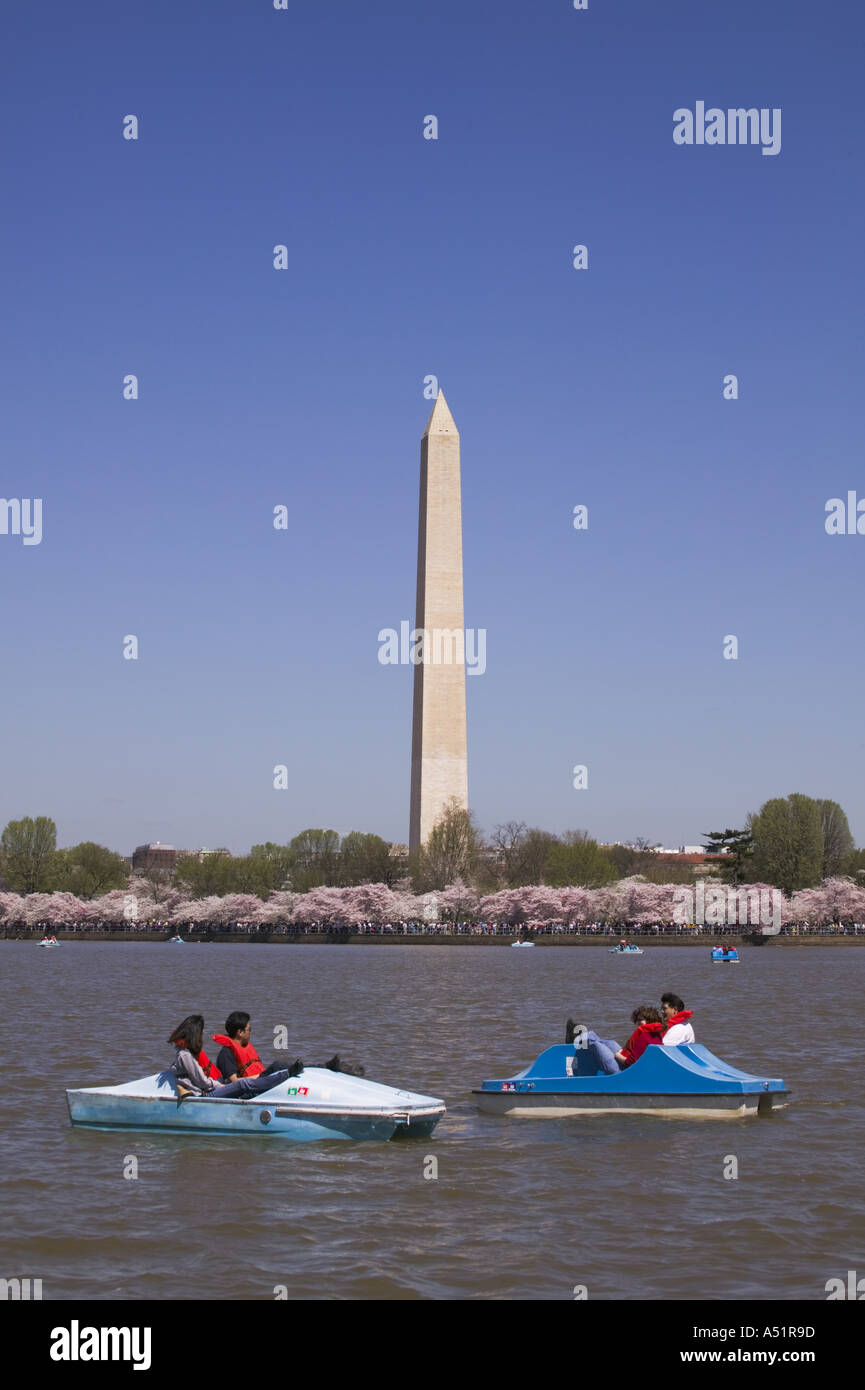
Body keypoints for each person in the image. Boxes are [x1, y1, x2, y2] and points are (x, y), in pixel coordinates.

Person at [167, 1015, 296, 1101]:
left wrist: (219, 1085)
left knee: (249, 1081)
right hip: (206, 1094)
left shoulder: (186, 1053)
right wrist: (220, 1086)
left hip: (211, 1089)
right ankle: (286, 1075)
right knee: (242, 1083)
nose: (202, 1035)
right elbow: (202, 1082)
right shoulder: (185, 1055)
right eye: (201, 1032)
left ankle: (300, 1071)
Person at [212, 1012, 301, 1083]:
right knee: (276, 1066)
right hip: (246, 1091)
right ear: (240, 1032)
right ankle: (297, 1069)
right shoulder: (226, 1053)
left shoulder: (244, 1047)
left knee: (278, 1068)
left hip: (259, 1082)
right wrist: (262, 1077)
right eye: (249, 1030)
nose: (250, 1033)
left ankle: (308, 1068)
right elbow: (234, 1081)